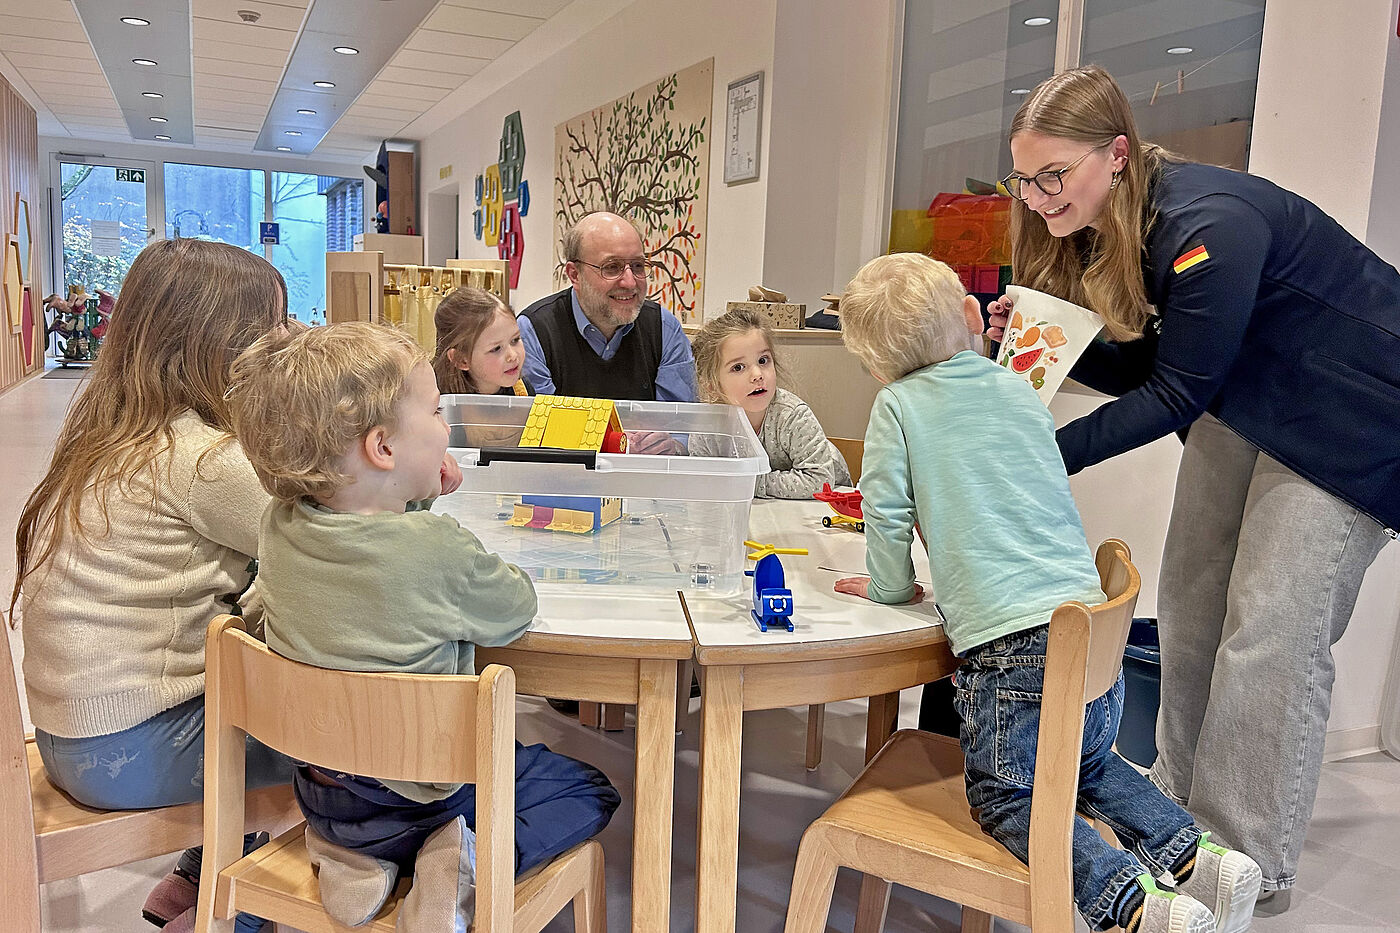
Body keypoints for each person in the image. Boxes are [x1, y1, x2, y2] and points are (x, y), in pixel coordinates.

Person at [986, 64, 1400, 905]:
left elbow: (1175, 393)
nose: (1036, 196)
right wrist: (1059, 348)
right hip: (1248, 400)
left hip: (1355, 413)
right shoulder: (1124, 216)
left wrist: (1040, 456)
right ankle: (1177, 829)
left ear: (1116, 154)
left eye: (1052, 175)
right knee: (1191, 602)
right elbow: (1156, 364)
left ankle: (1245, 863)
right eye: (1024, 178)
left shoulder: (1212, 221)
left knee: (1273, 632)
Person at [837, 252, 1263, 933]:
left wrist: (890, 587)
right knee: (1087, 761)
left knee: (1008, 798)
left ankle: (1130, 905)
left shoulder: (897, 405)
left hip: (1010, 647)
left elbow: (886, 512)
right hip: (1089, 624)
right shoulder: (1013, 388)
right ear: (971, 318)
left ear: (877, 364)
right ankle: (1200, 856)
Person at [226, 321, 622, 929]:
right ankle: (458, 857)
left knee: (378, 781)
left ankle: (352, 854)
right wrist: (432, 514)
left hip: (324, 790)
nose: (446, 428)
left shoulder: (279, 528)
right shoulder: (438, 548)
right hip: (425, 795)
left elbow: (372, 550)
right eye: (437, 413)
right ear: (384, 448)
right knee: (588, 788)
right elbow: (514, 605)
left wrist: (416, 497)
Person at [9, 238, 297, 933]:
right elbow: (323, 547)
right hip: (130, 749)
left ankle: (197, 880)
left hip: (68, 735)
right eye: (274, 325)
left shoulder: (114, 434)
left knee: (239, 664)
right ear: (225, 344)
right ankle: (239, 910)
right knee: (334, 723)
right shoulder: (205, 458)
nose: (288, 339)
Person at [517, 211, 697, 406]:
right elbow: (541, 425)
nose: (630, 282)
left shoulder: (664, 329)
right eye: (611, 267)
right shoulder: (534, 332)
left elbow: (679, 423)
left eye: (637, 266)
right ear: (574, 275)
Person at [689, 306, 850, 497]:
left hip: (828, 504)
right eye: (738, 367)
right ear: (711, 385)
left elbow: (819, 480)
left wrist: (747, 482)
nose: (757, 375)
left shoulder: (792, 415)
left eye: (763, 360)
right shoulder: (706, 429)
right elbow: (702, 481)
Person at [432, 286, 533, 397]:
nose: (513, 356)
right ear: (461, 360)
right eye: (496, 349)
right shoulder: (434, 402)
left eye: (515, 340)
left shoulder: (524, 391)